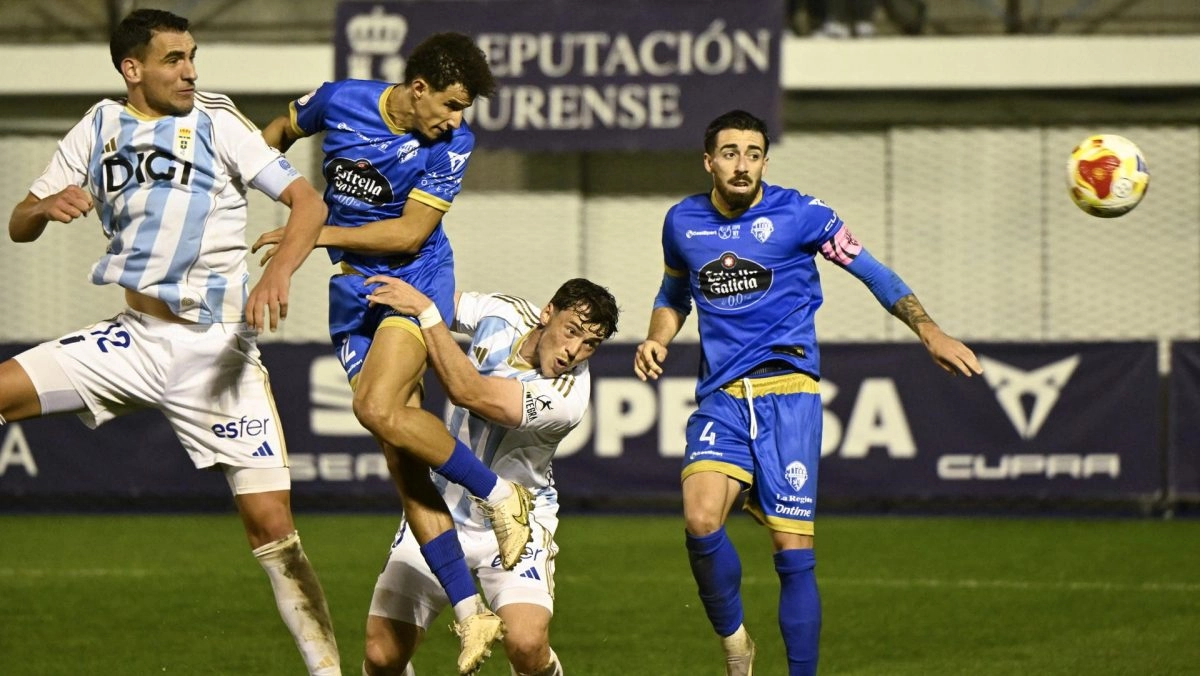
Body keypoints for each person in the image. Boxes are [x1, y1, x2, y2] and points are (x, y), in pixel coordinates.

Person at [2, 9, 340, 675]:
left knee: (273, 529)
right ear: (133, 69)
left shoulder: (217, 120)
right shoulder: (98, 127)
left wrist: (277, 272)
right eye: (174, 60)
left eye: (192, 57)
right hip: (133, 339)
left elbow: (309, 203)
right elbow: (19, 220)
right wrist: (44, 206)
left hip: (216, 349)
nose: (190, 71)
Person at [633, 109, 982, 676]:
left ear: (765, 161)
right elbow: (675, 292)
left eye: (752, 153)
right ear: (708, 161)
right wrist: (657, 337)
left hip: (788, 394)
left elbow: (873, 271)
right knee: (700, 521)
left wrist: (930, 330)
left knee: (792, 557)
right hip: (721, 397)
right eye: (729, 152)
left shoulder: (803, 214)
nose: (741, 164)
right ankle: (736, 645)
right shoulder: (682, 222)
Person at [255, 33, 531, 674]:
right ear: (418, 89)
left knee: (374, 406)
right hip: (354, 292)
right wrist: (240, 180)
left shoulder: (452, 144)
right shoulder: (341, 100)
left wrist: (312, 230)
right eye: (453, 104)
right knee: (406, 469)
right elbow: (276, 130)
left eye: (465, 109)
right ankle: (472, 613)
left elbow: (410, 232)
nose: (458, 120)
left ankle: (499, 495)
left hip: (412, 284)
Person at [358, 275, 619, 676]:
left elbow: (469, 391)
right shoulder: (505, 311)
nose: (574, 351)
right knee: (381, 656)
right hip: (438, 509)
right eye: (572, 331)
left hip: (517, 524)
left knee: (527, 645)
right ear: (547, 312)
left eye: (590, 345)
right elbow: (442, 302)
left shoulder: (568, 395)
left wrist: (425, 312)